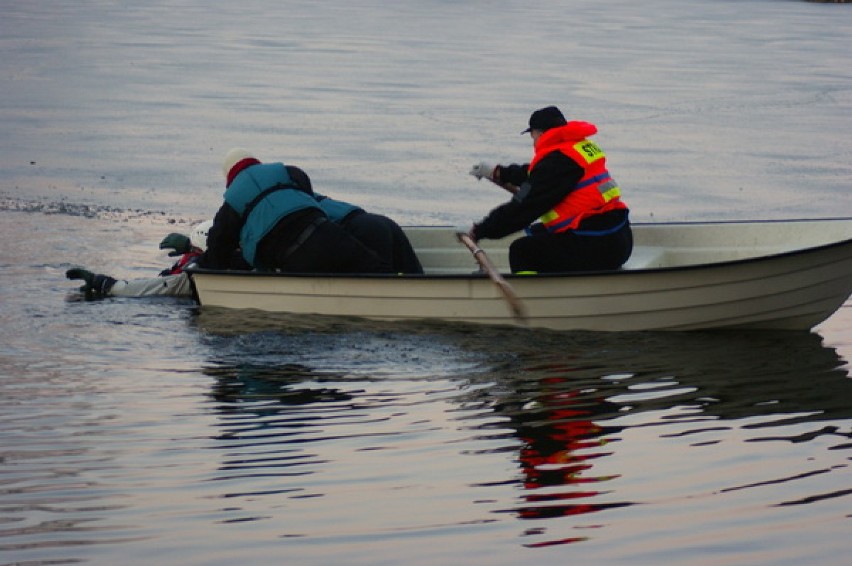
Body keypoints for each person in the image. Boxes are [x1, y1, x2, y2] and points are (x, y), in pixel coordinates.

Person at [467, 105, 632, 274]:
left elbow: (523, 207)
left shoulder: (557, 162)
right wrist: (499, 172)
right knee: (538, 232)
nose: (533, 142)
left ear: (540, 133)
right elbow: (536, 174)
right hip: (617, 236)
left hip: (600, 245)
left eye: (533, 137)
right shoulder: (574, 149)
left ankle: (533, 296)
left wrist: (480, 229)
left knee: (522, 251)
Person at [197, 148, 394, 274]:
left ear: (229, 178)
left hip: (293, 258)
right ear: (256, 162)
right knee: (377, 272)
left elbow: (218, 248)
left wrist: (201, 262)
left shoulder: (232, 201)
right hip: (326, 233)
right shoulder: (285, 172)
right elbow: (309, 193)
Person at [65, 220, 212, 298]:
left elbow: (152, 287)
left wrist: (103, 283)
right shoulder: (195, 267)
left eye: (194, 247)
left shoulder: (192, 277)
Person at [313, 193, 423, 274]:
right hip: (377, 221)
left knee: (376, 290)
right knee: (416, 286)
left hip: (359, 230)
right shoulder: (305, 194)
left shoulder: (300, 207)